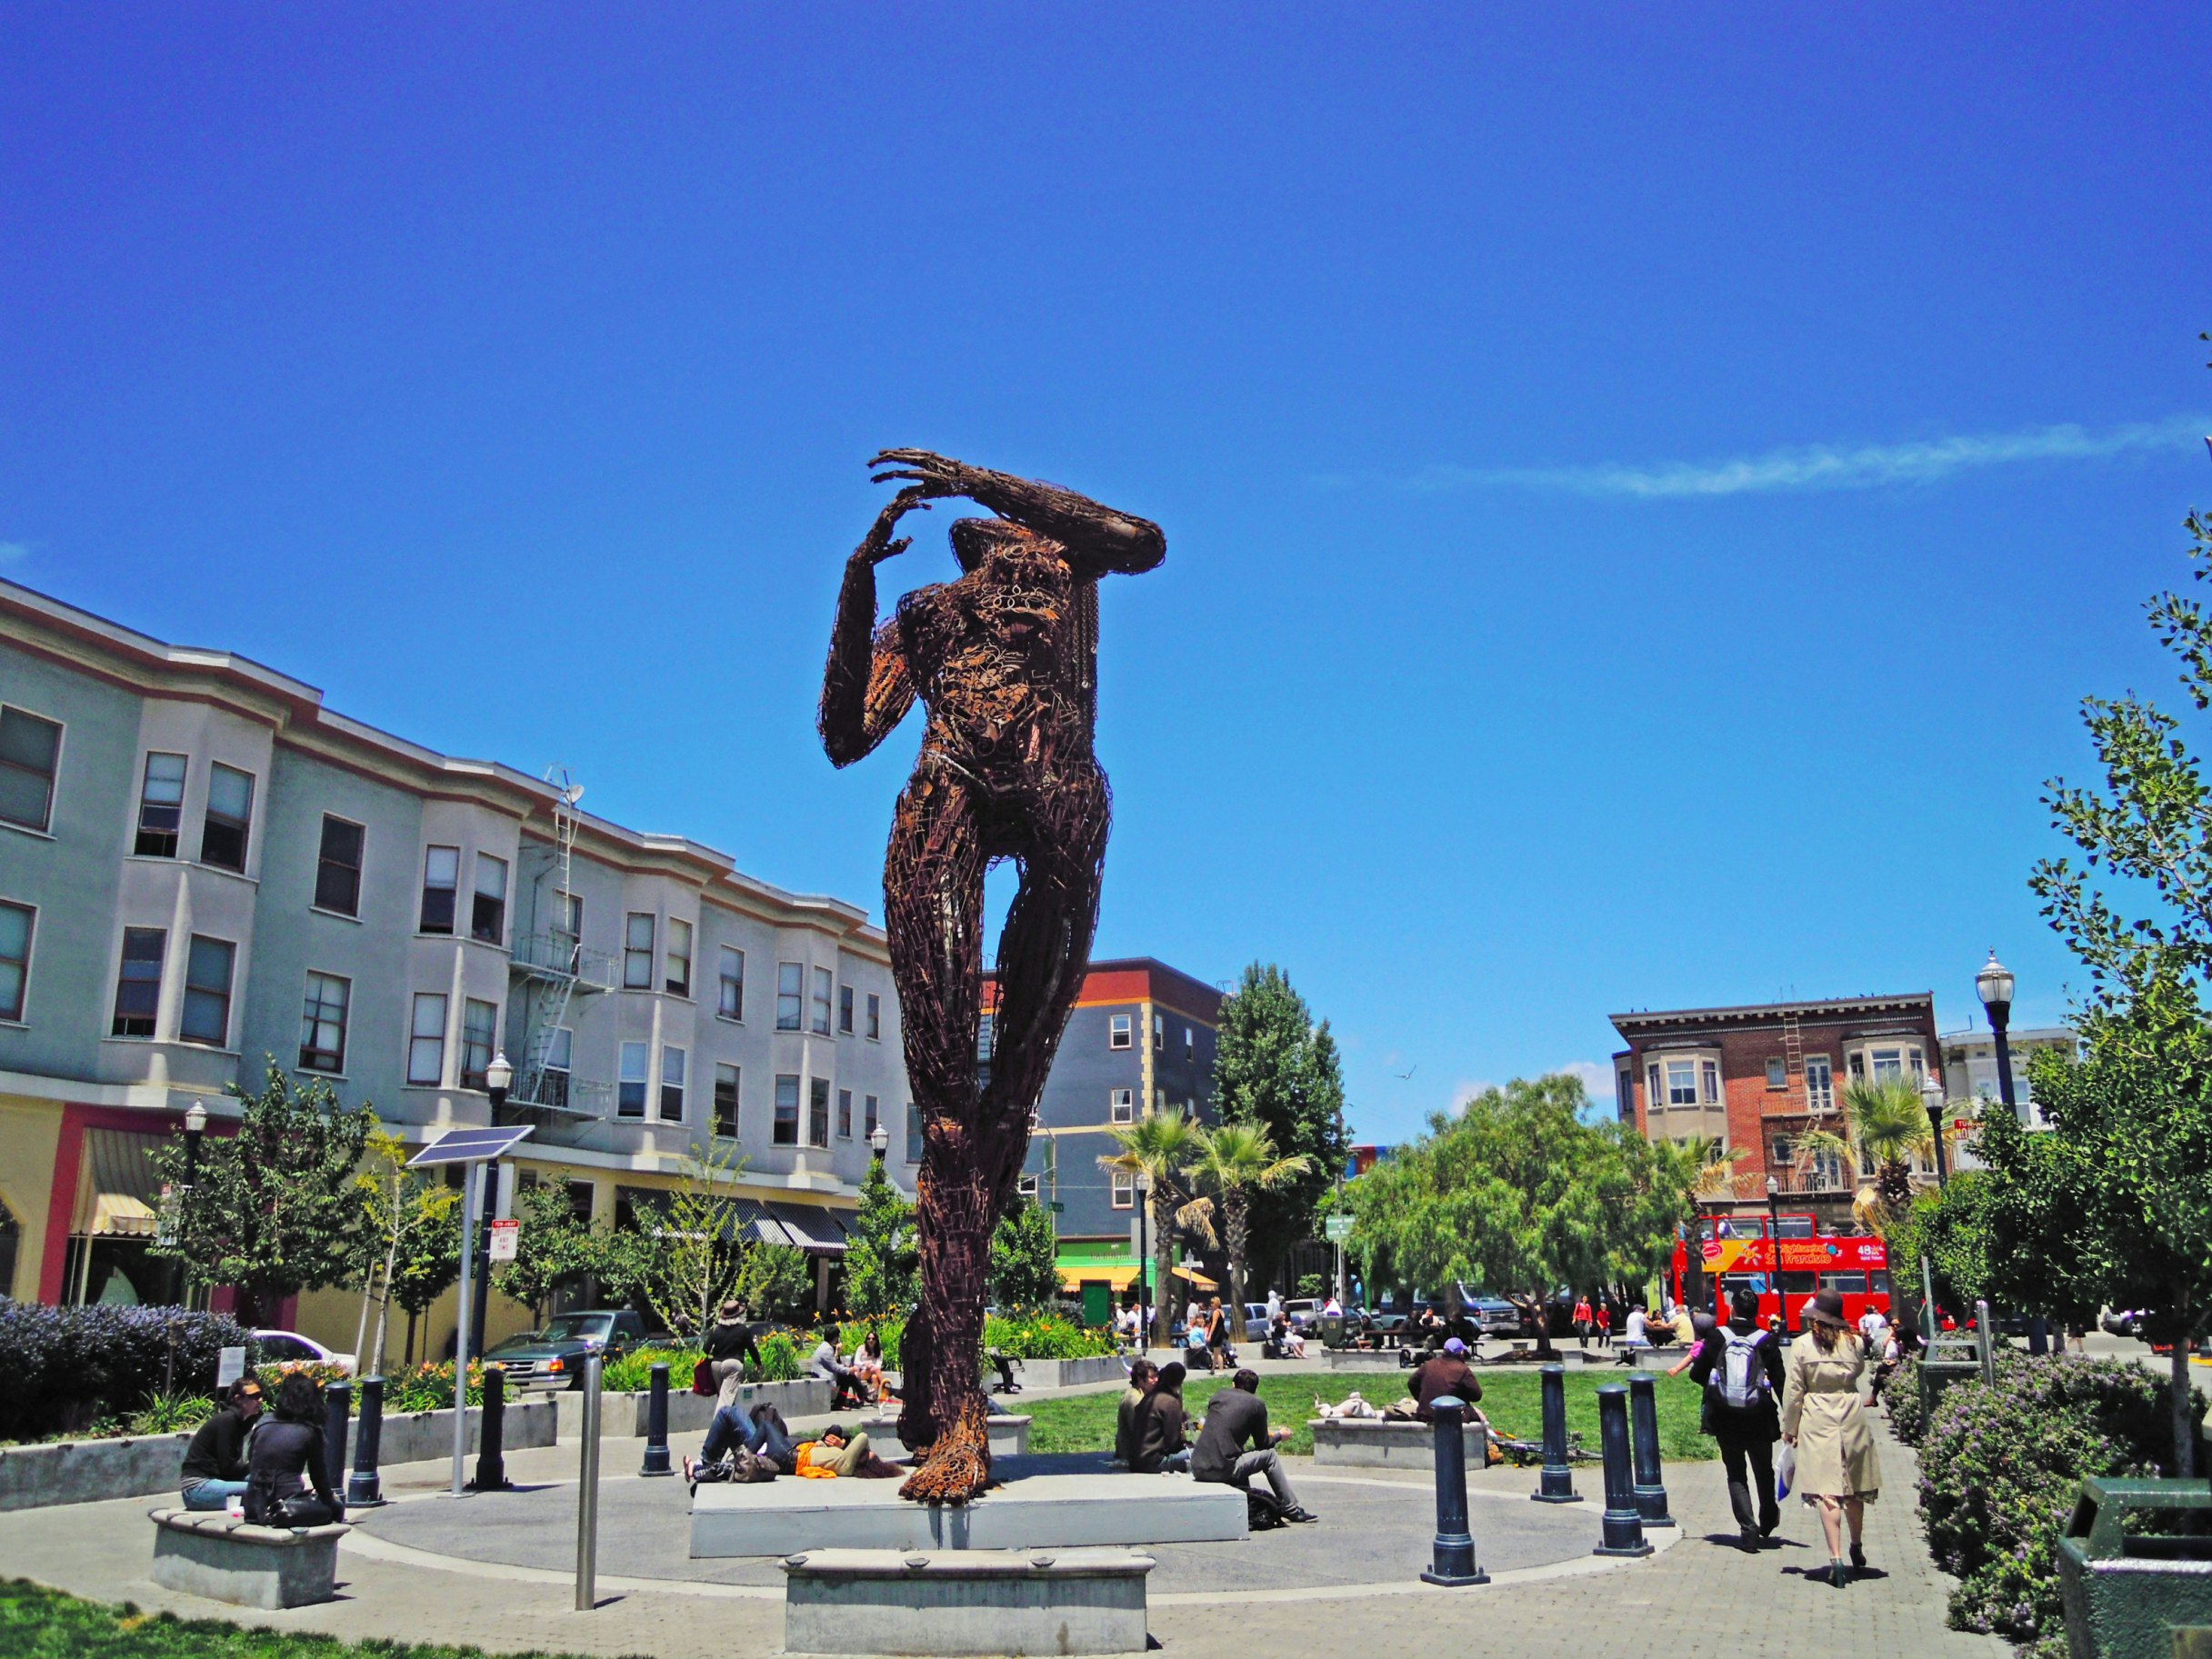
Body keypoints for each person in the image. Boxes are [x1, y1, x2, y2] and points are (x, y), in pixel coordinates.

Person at [1783, 1287, 1881, 1587]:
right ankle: (1857, 1545)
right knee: (1853, 1486)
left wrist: (1790, 1428)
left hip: (1817, 1415)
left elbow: (1794, 1392)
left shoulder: (1801, 1346)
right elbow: (1860, 1371)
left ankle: (1835, 1558)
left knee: (1827, 1489)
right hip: (1851, 1414)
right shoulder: (1855, 1344)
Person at [1689, 1288, 1787, 1551]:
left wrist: (1719, 1381)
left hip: (1725, 1417)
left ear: (1732, 1309)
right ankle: (1768, 1517)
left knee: (1736, 1474)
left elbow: (1696, 1374)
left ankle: (1748, 1529)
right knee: (1763, 1469)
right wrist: (1791, 1417)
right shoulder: (1767, 1339)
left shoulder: (1716, 1336)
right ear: (1756, 1312)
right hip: (1760, 1418)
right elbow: (1780, 1382)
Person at [1191, 1368, 1316, 1523]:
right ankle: (1291, 1509)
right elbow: (1263, 1444)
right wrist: (1279, 1436)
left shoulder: (1218, 1396)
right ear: (1255, 1390)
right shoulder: (1257, 1404)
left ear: (1233, 1384)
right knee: (1270, 1456)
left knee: (1238, 1453)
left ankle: (1248, 1503)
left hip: (1197, 1466)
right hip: (1221, 1470)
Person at [244, 1372, 342, 1526]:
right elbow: (319, 1478)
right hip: (286, 1506)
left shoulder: (263, 1423)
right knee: (336, 1506)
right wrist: (330, 1499)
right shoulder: (310, 1431)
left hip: (254, 1507)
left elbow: (252, 1460)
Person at [180, 1378, 263, 1511]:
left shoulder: (239, 1422)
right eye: (254, 1396)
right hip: (197, 1489)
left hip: (213, 1482)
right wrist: (257, 1469)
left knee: (266, 1484)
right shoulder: (228, 1420)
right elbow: (228, 1467)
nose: (259, 1400)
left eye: (260, 1395)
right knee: (261, 1491)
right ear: (238, 1399)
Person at [688, 1399, 801, 1483]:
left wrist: (747, 1455)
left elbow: (765, 1426)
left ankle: (704, 1463)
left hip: (782, 1455)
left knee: (727, 1413)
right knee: (734, 1414)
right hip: (783, 1453)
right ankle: (706, 1465)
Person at [1409, 1338, 1486, 1431]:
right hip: (1453, 1417)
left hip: (1425, 1415)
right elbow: (1476, 1396)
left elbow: (1412, 1383)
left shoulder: (1428, 1365)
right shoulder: (1462, 1369)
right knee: (1479, 1415)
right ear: (1461, 1353)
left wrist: (1421, 1399)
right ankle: (1488, 1442)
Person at [1132, 1361, 1190, 1474]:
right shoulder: (1170, 1402)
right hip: (1155, 1462)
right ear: (1181, 1381)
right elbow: (1172, 1444)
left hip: (1135, 1461)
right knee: (1201, 1453)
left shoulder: (1149, 1397)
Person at [705, 1299, 762, 1409]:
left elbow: (706, 1349)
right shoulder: (742, 1330)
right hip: (733, 1365)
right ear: (739, 1315)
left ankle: (729, 1424)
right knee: (726, 1401)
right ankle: (717, 1424)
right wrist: (758, 1363)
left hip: (716, 1365)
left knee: (724, 1397)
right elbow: (752, 1348)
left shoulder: (716, 1329)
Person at [811, 1324, 867, 1409]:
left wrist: (837, 1351)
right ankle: (862, 1392)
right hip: (822, 1378)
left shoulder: (825, 1346)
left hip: (823, 1375)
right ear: (835, 1337)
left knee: (847, 1378)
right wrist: (849, 1370)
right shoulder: (827, 1349)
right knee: (848, 1376)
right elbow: (835, 1367)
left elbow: (833, 1363)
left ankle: (841, 1403)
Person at [1116, 1359, 1158, 1466]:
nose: (1156, 1380)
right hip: (1136, 1457)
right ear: (1140, 1379)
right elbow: (1142, 1433)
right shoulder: (1134, 1400)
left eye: (1156, 1376)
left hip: (1141, 1453)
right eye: (1152, 1377)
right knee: (1189, 1455)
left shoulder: (1142, 1395)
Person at [852, 1328, 886, 1403]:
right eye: (869, 1339)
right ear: (866, 1340)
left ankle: (875, 1397)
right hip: (862, 1372)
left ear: (876, 1340)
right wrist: (865, 1365)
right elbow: (856, 1362)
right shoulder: (861, 1348)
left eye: (873, 1339)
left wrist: (871, 1365)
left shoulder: (879, 1351)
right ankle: (885, 1386)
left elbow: (878, 1365)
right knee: (874, 1370)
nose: (871, 1341)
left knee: (875, 1376)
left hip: (872, 1371)